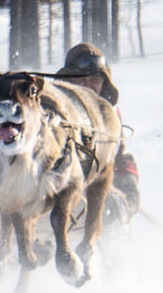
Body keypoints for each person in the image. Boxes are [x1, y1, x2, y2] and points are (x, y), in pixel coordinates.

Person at [53, 43, 140, 212]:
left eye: (94, 80)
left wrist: (128, 179)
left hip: (99, 186)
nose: (87, 85)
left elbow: (117, 156)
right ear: (68, 80)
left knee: (112, 207)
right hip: (58, 188)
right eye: (81, 79)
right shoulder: (54, 110)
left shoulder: (110, 114)